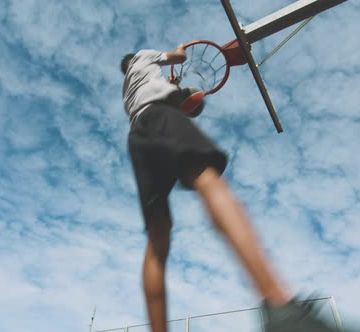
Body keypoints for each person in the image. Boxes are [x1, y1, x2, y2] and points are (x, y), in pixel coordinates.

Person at [121, 45, 342, 332]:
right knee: (207, 180)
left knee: (158, 238)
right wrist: (180, 52)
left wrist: (173, 89)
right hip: (160, 116)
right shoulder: (145, 55)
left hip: (138, 135)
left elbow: (161, 98)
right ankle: (282, 308)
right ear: (136, 58)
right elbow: (179, 56)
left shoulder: (130, 88)